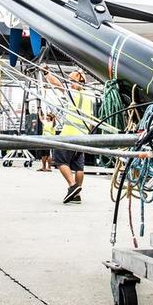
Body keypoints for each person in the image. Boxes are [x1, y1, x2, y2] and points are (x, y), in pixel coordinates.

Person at [45, 69, 94, 204]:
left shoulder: (73, 94)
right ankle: (77, 195)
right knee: (79, 167)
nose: (70, 84)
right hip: (83, 136)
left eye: (72, 81)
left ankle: (72, 186)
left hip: (69, 134)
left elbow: (57, 84)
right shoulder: (90, 96)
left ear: (80, 81)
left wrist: (46, 73)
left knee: (60, 160)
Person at [36, 106, 56, 172]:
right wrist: (39, 111)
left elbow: (54, 123)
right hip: (43, 139)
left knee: (48, 154)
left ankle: (49, 167)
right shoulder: (45, 122)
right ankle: (43, 167)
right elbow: (40, 118)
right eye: (47, 116)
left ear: (50, 118)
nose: (46, 117)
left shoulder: (52, 123)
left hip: (49, 139)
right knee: (43, 154)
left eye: (48, 116)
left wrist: (54, 118)